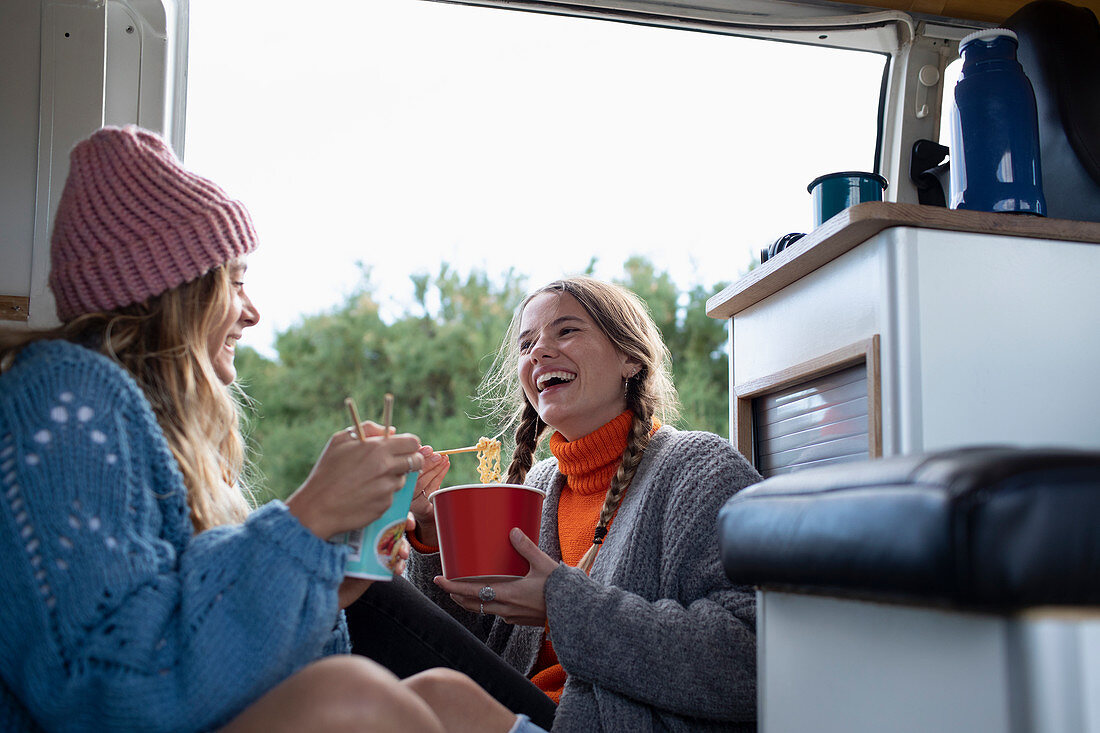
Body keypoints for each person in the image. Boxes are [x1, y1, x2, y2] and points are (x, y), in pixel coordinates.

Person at [0, 125, 519, 733]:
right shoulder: (64, 392)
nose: (252, 311)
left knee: (445, 697)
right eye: (236, 282)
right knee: (351, 695)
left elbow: (239, 668)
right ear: (176, 293)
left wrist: (336, 580)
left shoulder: (161, 436)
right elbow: (112, 693)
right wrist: (307, 518)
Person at [347, 276, 762, 731]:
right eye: (527, 344)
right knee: (354, 583)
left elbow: (750, 661)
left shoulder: (697, 468)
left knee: (417, 677)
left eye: (566, 331)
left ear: (629, 357)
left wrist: (560, 604)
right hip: (520, 708)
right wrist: (429, 535)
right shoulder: (538, 487)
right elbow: (467, 646)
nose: (539, 351)